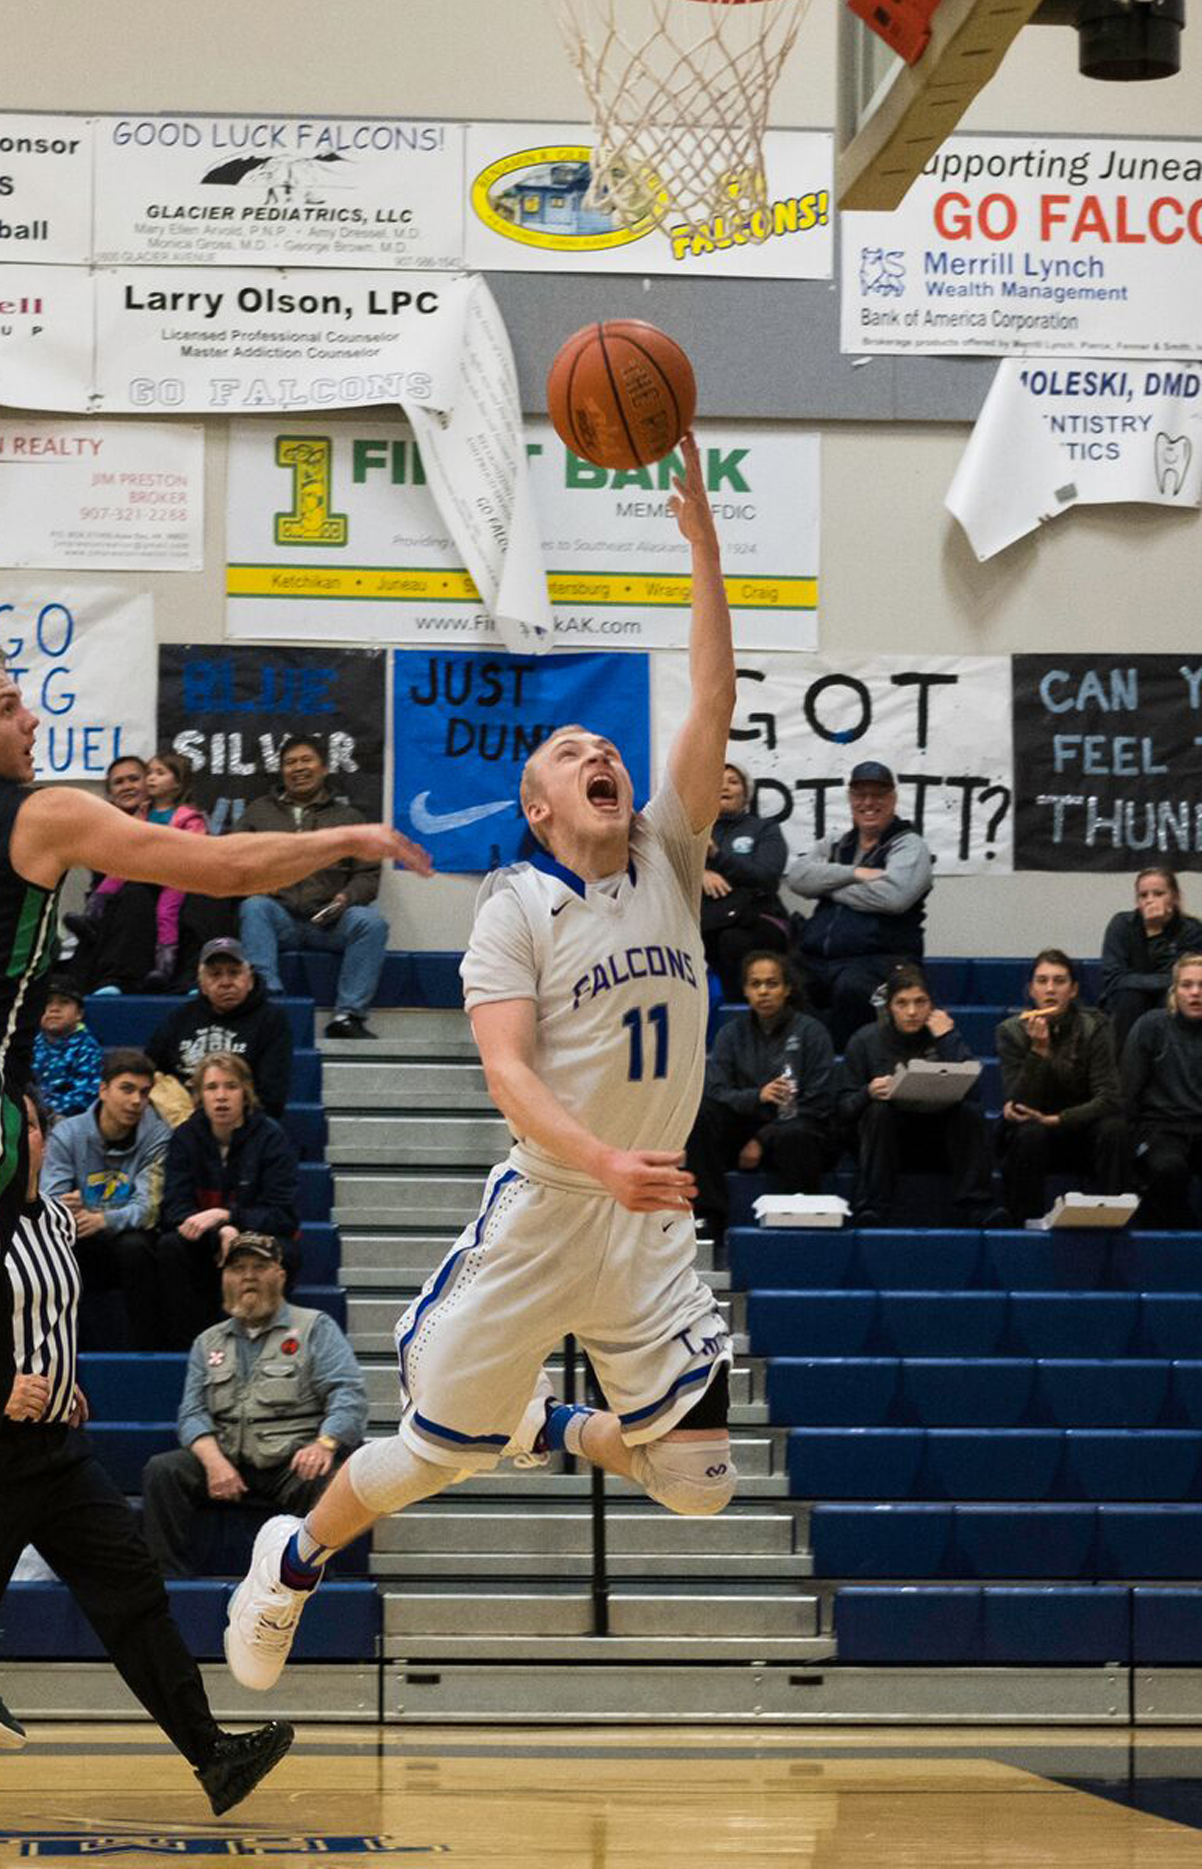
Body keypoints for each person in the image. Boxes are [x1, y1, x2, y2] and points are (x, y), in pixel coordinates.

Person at [223, 432, 738, 1693]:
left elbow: (711, 701)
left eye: (600, 746)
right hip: (560, 1200)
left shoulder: (669, 855)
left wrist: (705, 549)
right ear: (540, 803)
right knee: (434, 1450)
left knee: (701, 1485)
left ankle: (549, 1424)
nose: (595, 755)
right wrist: (605, 1158)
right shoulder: (515, 902)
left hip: (646, 1211)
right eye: (567, 754)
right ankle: (289, 1559)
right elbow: (508, 1076)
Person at [0, 632, 428, 1741]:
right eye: (7, 707)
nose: (30, 722)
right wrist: (348, 833)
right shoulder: (36, 812)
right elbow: (222, 871)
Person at [0, 1091, 294, 1806]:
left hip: (58, 1452)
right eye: (8, 1124)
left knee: (134, 1596)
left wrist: (63, 1381)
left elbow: (46, 1319)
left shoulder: (55, 1220)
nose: (22, 1138)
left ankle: (212, 1756)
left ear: (44, 1139)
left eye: (34, 1126)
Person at [142, 1232, 367, 1579]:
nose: (248, 1276)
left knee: (331, 1480)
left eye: (259, 1267)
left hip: (293, 1463)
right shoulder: (208, 1341)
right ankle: (167, 1585)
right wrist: (215, 1464)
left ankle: (318, 1587)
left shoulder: (314, 1328)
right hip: (229, 1458)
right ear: (224, 1278)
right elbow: (191, 1414)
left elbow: (349, 1396)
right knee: (163, 1471)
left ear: (280, 1275)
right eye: (237, 1268)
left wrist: (324, 1444)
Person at [236, 734, 389, 1038]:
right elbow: (233, 856)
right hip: (279, 917)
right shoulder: (258, 812)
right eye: (290, 762)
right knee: (253, 907)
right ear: (281, 770)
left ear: (324, 768)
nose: (298, 768)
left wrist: (346, 898)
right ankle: (268, 1000)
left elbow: (368, 874)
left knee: (371, 923)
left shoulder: (349, 817)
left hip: (329, 921)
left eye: (306, 760)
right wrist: (255, 883)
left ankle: (348, 1016)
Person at [685, 951, 835, 1238]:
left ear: (787, 988)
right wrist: (758, 1096)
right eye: (755, 984)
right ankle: (708, 1218)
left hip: (793, 1129)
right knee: (702, 1114)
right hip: (741, 1125)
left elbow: (820, 1102)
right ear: (745, 990)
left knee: (799, 1134)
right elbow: (717, 1091)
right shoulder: (730, 1034)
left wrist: (761, 1140)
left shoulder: (812, 1032)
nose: (764, 991)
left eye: (772, 983)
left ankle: (799, 1224)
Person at [157, 1055, 301, 1349]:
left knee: (287, 1251)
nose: (221, 1096)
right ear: (198, 1096)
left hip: (259, 1238)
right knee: (170, 1246)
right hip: (207, 1242)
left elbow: (282, 1215)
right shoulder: (185, 1137)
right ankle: (191, 1347)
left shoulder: (271, 1137)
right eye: (211, 1087)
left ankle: (268, 1342)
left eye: (230, 1086)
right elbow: (174, 1210)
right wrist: (220, 1231)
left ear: (245, 1092)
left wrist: (229, 1217)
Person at [786, 763, 934, 1052]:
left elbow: (895, 897)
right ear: (850, 798)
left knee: (851, 989)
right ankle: (807, 1065)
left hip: (879, 959)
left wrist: (828, 884)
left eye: (878, 794)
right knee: (785, 982)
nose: (868, 802)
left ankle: (844, 1066)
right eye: (860, 794)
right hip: (817, 958)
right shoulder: (837, 843)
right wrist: (854, 874)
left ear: (892, 798)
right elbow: (797, 878)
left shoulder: (910, 845)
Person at [837, 962, 993, 1225]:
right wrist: (868, 1092)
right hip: (888, 1141)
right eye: (902, 1003)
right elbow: (842, 1109)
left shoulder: (943, 1036)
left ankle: (976, 1206)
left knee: (970, 1112)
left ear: (932, 1005)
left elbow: (975, 1092)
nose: (912, 1011)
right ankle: (873, 1207)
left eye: (921, 1002)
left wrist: (948, 1037)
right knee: (878, 1111)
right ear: (889, 1007)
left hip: (939, 1139)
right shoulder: (864, 1041)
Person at [39, 1048, 169, 1350]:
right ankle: (61, 1348)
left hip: (130, 1238)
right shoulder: (67, 1134)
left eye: (144, 1092)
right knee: (60, 1244)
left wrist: (99, 1216)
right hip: (83, 1237)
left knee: (136, 1246)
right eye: (127, 1089)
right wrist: (82, 1215)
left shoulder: (158, 1136)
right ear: (103, 1089)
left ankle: (145, 1352)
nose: (136, 1101)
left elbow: (149, 1208)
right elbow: (54, 1201)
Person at [995, 949, 1128, 1222]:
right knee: (1028, 1134)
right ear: (1031, 990)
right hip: (1035, 1134)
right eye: (1042, 981)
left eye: (1059, 981)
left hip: (1082, 1128)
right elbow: (1020, 1105)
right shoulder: (1010, 1031)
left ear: (1074, 989)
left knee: (1114, 1128)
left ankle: (1114, 1217)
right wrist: (1038, 1052)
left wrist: (1057, 1119)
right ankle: (1025, 1223)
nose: (1050, 989)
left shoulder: (1096, 1026)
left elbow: (1109, 1097)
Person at [83, 751, 209, 989]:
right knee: (122, 879)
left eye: (134, 778)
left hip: (174, 875)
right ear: (110, 792)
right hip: (136, 878)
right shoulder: (126, 819)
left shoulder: (188, 816)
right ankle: (92, 918)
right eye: (118, 782)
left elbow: (197, 848)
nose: (128, 786)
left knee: (175, 908)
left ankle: (173, 970)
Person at [147, 937, 294, 1121]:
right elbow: (149, 1070)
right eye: (215, 974)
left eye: (234, 973)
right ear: (202, 984)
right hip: (179, 1122)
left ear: (249, 979)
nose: (226, 982)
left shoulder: (271, 1020)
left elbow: (272, 1097)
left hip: (244, 1125)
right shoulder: (180, 1017)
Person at [1120, 951, 1202, 1228]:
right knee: (1168, 1169)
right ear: (1174, 990)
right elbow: (1128, 1092)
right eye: (1187, 985)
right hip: (1160, 1129)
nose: (1195, 993)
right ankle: (1189, 1233)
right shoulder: (1151, 1026)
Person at [699, 763, 788, 1001]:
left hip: (756, 918)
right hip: (707, 921)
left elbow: (767, 877)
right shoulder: (695, 831)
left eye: (733, 781)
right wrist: (700, 874)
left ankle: (740, 1015)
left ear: (746, 794)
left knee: (732, 941)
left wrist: (716, 857)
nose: (724, 787)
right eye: (718, 781)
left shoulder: (765, 829)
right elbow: (670, 873)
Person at [1100, 866, 1202, 1053]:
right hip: (1126, 1004)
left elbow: (1182, 980)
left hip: (1169, 1001)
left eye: (1158, 893)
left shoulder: (1191, 930)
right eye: (1143, 895)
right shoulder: (1121, 925)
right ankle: (1122, 1075)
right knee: (1130, 996)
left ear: (1175, 898)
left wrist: (1157, 933)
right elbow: (1114, 980)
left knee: (1170, 1000)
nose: (1150, 900)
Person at [31, 974, 103, 1118]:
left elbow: (87, 1094)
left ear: (79, 1013)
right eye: (47, 1002)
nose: (54, 1009)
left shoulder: (87, 1048)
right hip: (30, 1113)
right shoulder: (29, 1043)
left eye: (64, 1002)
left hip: (67, 1118)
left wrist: (49, 1111)